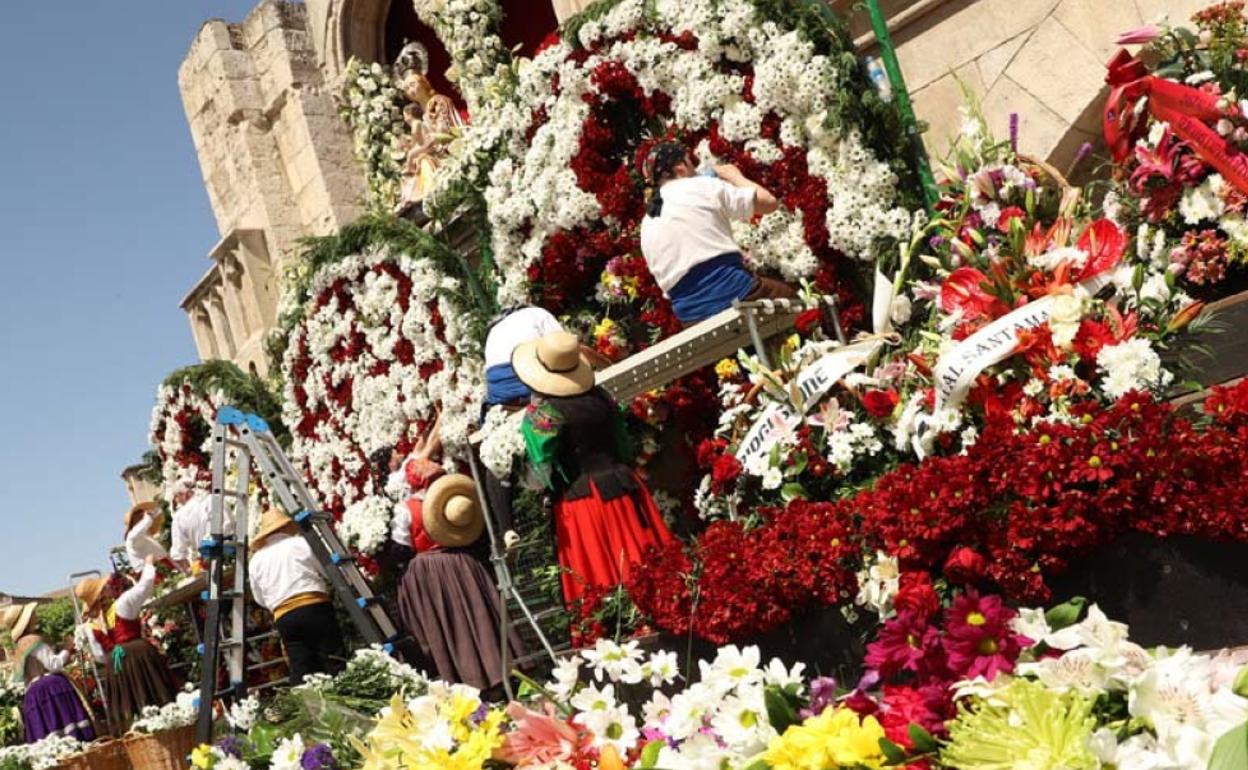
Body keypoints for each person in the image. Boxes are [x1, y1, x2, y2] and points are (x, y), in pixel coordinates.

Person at [513, 331, 675, 605]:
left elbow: (542, 466)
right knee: (645, 562)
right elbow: (623, 444)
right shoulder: (603, 397)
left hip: (585, 500)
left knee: (602, 577)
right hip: (624, 486)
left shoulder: (543, 415)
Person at [394, 456, 524, 695]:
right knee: (478, 618)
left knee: (443, 625)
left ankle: (460, 678)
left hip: (426, 573)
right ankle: (499, 671)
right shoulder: (457, 501)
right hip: (463, 564)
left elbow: (400, 547)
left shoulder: (406, 509)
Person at [639, 141, 794, 325]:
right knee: (801, 302)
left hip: (692, 319)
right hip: (737, 294)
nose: (696, 169)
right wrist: (735, 176)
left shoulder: (646, 224)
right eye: (692, 163)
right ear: (680, 167)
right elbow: (768, 202)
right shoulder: (701, 186)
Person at [75, 556, 178, 733]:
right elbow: (145, 586)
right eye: (104, 585)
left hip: (115, 662)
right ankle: (169, 732)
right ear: (103, 591)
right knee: (154, 694)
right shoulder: (122, 603)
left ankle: (138, 738)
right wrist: (148, 564)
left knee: (129, 703)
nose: (108, 585)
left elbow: (100, 655)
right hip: (137, 654)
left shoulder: (95, 622)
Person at [248, 508, 346, 684]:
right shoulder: (301, 544)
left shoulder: (256, 560)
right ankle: (348, 698)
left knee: (302, 666)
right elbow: (325, 571)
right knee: (333, 658)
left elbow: (259, 598)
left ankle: (307, 707)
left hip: (284, 615)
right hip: (314, 605)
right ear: (285, 526)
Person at [8, 603, 96, 743]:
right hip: (50, 689)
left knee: (48, 734)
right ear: (27, 619)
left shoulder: (19, 647)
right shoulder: (34, 641)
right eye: (32, 614)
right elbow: (54, 664)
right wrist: (67, 648)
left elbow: (21, 679)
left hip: (33, 695)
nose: (36, 615)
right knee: (67, 727)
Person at [169, 490, 220, 573]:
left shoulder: (179, 516)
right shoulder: (214, 498)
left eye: (176, 497)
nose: (176, 501)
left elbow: (178, 554)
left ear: (183, 494)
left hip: (209, 562)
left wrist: (190, 572)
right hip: (235, 552)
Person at [123, 501, 168, 568]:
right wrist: (148, 517)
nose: (143, 516)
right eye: (140, 516)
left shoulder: (145, 534)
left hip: (162, 564)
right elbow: (144, 524)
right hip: (149, 569)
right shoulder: (132, 536)